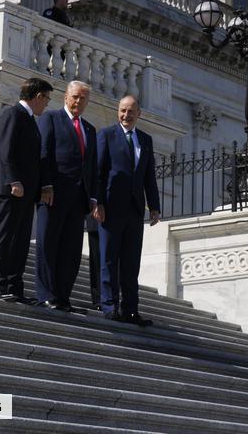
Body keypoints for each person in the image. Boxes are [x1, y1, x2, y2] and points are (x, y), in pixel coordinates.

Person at [95, 95, 161, 325]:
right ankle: (109, 305)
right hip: (110, 207)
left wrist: (154, 206)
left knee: (131, 262)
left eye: (130, 111)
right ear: (118, 111)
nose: (126, 115)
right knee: (110, 259)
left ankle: (131, 309)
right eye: (122, 110)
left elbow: (148, 176)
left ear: (138, 114)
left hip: (134, 210)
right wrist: (98, 202)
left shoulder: (145, 140)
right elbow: (99, 172)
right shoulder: (106, 135)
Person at [0, 77, 52, 303]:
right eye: (47, 99)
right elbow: (5, 150)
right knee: (4, 237)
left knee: (21, 240)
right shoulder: (12, 114)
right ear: (38, 96)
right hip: (9, 190)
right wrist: (14, 181)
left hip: (26, 193)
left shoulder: (30, 120)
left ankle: (14, 286)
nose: (47, 104)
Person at [35, 81, 98, 311]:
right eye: (75, 97)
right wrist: (46, 185)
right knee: (47, 244)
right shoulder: (50, 119)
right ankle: (45, 294)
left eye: (83, 98)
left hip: (78, 199)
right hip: (53, 194)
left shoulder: (90, 129)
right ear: (65, 97)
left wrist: (93, 197)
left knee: (71, 250)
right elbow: (43, 153)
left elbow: (91, 166)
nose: (78, 101)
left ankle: (63, 296)